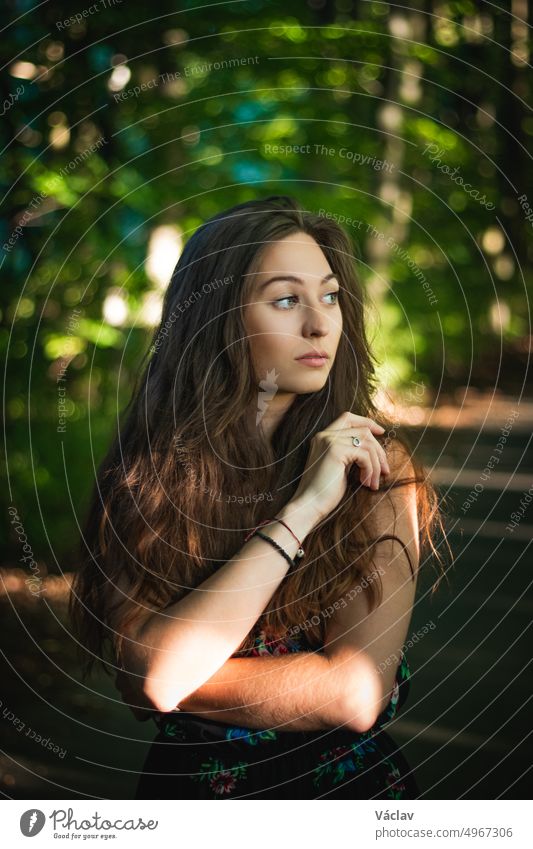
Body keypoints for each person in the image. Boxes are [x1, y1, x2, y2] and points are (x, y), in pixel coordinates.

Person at [69, 195, 448, 799]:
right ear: (219, 319)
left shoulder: (372, 466)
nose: (320, 323)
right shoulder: (150, 472)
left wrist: (171, 673)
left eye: (328, 296)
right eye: (286, 299)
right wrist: (300, 512)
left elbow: (354, 693)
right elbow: (139, 665)